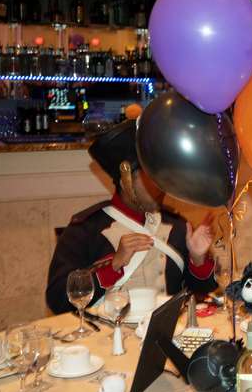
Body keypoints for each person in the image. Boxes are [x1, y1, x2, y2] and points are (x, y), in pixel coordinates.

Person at [45, 120, 216, 314]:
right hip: (106, 333)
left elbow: (201, 293)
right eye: (150, 178)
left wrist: (197, 259)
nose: (160, 187)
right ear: (126, 181)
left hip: (167, 331)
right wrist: (113, 265)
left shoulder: (178, 227)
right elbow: (58, 299)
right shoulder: (85, 229)